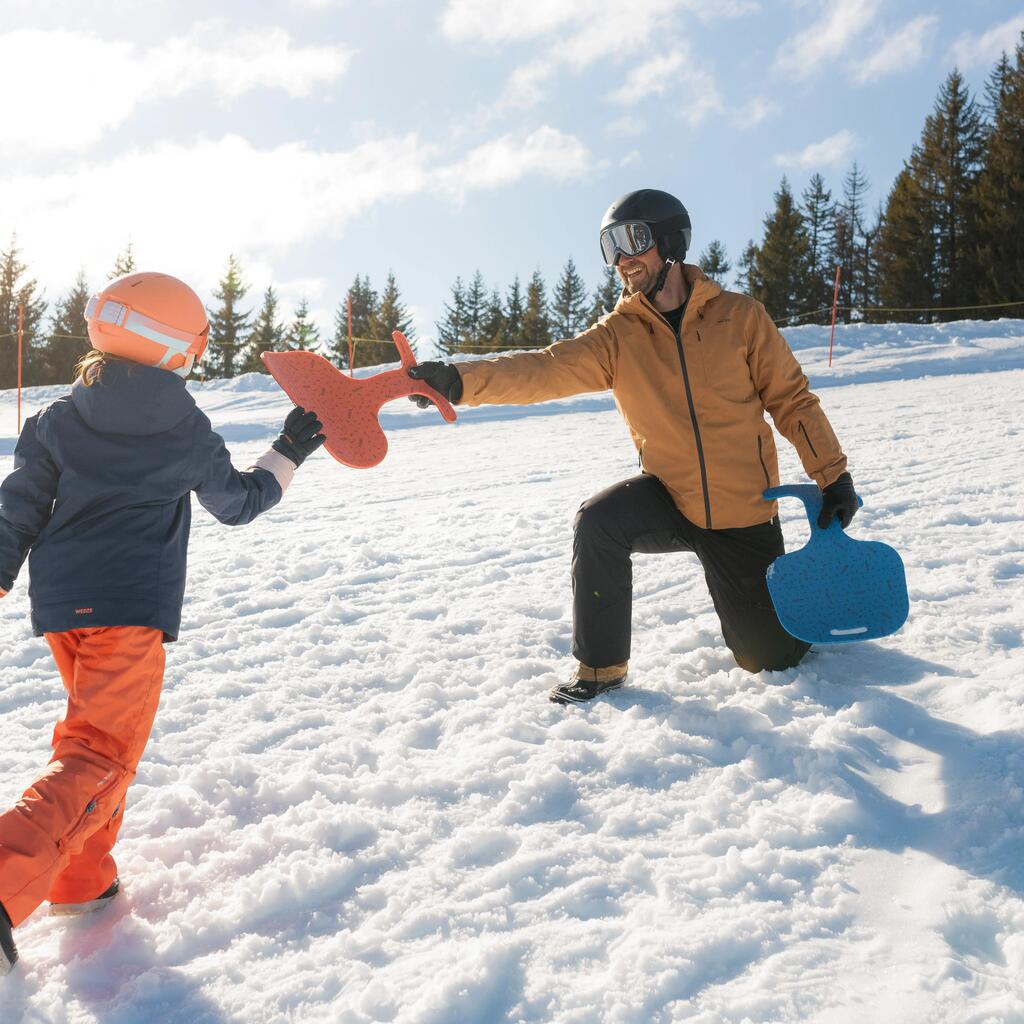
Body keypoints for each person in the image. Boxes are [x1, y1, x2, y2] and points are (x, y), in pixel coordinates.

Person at [409, 189, 859, 705]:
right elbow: (545, 367)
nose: (622, 259)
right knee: (598, 521)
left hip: (743, 513)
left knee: (770, 659)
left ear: (670, 241)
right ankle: (600, 670)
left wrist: (833, 476)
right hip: (671, 496)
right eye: (610, 247)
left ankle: (796, 613)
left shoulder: (740, 318)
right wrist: (459, 380)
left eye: (632, 240)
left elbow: (792, 401)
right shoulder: (618, 336)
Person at [0, 272, 324, 973]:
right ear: (178, 348)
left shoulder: (58, 417)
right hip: (128, 614)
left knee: (92, 744)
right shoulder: (184, 429)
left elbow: (17, 507)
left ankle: (81, 881)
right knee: (98, 756)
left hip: (62, 612)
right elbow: (239, 502)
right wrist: (290, 449)